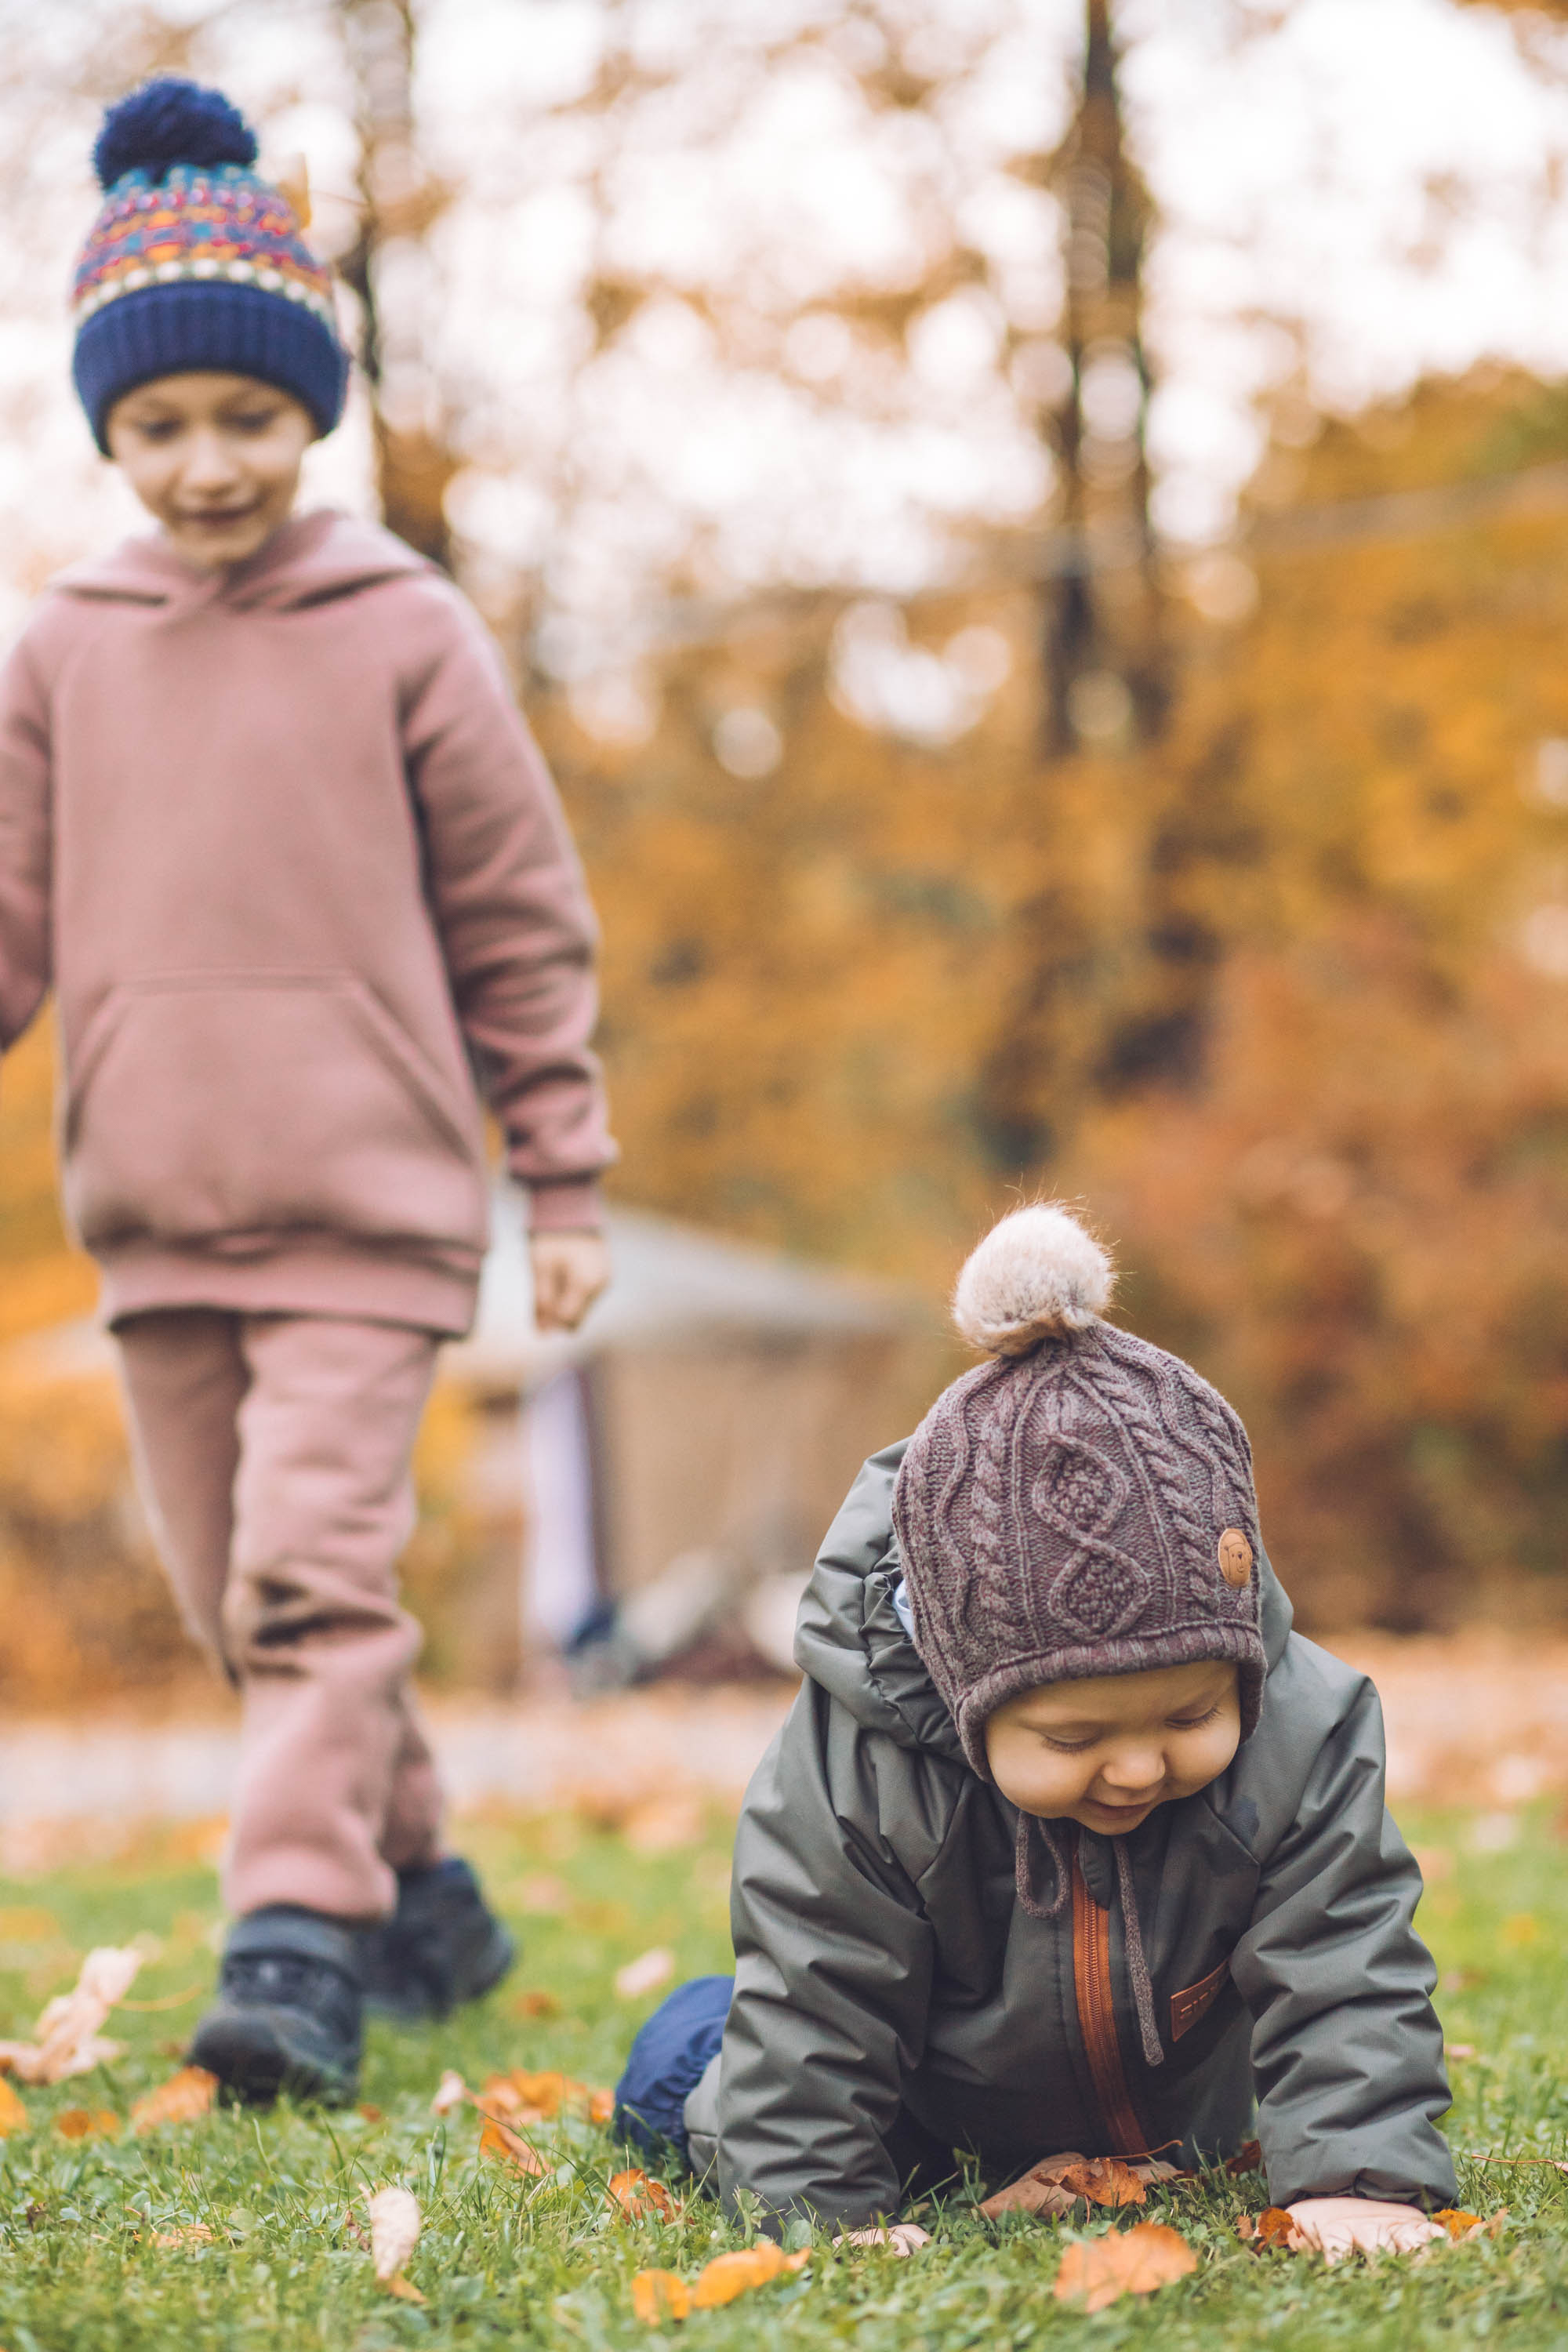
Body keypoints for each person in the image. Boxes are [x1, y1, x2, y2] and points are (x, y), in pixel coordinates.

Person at [0, 77, 615, 2103]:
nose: (207, 463)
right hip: (156, 1218)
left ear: (314, 412)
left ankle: (294, 1945)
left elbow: (520, 915)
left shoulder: (403, 629)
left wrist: (565, 1173)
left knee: (309, 1581)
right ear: (109, 431)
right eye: (163, 424)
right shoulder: (62, 650)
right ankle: (428, 1891)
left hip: (371, 1210)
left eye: (250, 417)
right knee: (240, 1603)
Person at [615, 1203, 1457, 2262]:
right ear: (963, 1688)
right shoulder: (862, 1772)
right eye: (1072, 1738)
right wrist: (817, 2215)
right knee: (684, 2069)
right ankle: (700, 2045)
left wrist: (1359, 2184)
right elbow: (818, 1999)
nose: (1139, 1765)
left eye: (1192, 1714)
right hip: (920, 2117)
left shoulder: (1301, 1735)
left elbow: (1345, 1962)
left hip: (1169, 2122)